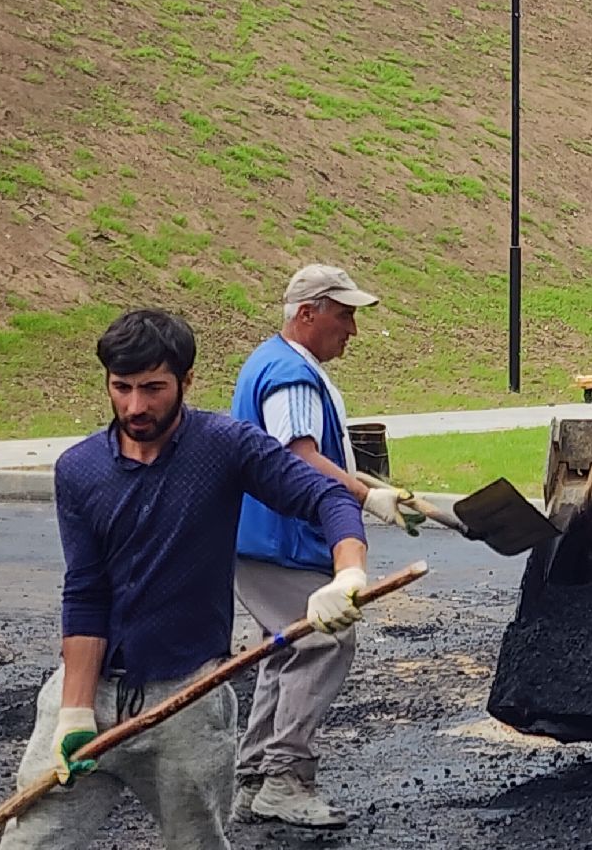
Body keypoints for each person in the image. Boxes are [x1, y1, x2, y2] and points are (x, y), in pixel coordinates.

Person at [1, 309, 371, 850]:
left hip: (187, 704)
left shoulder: (224, 447)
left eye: (153, 388)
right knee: (31, 842)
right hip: (91, 697)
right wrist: (75, 710)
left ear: (186, 381)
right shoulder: (79, 470)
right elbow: (85, 590)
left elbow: (327, 496)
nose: (135, 406)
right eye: (121, 387)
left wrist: (348, 573)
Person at [228, 264, 421, 828]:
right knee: (325, 643)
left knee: (287, 647)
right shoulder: (290, 375)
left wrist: (372, 488)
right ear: (306, 313)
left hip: (260, 536)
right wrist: (362, 498)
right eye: (344, 315)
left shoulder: (276, 361)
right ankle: (285, 779)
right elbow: (299, 459)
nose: (353, 330)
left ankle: (256, 779)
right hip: (281, 538)